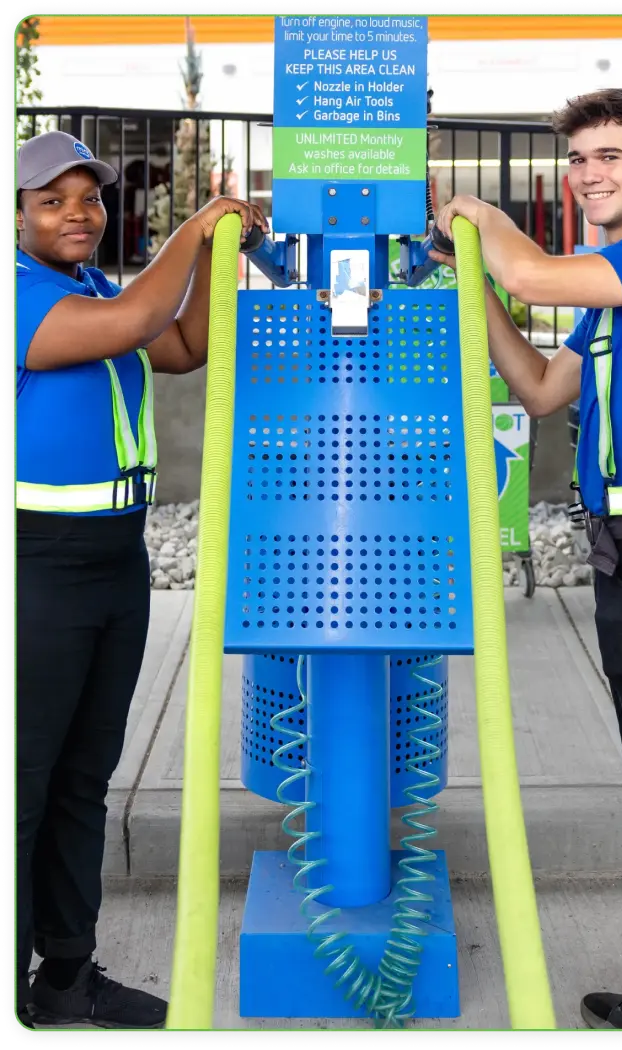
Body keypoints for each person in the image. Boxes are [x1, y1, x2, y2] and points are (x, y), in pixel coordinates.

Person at [429, 89, 622, 1030]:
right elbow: (541, 388)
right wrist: (476, 282)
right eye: (578, 158)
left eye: (610, 156)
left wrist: (480, 216)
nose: (589, 174)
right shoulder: (615, 283)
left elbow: (537, 275)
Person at [16, 130, 268, 1030]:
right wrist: (197, 228)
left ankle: (66, 976)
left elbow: (181, 343)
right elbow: (132, 326)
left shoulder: (88, 288)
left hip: (115, 564)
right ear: (18, 216)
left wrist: (219, 255)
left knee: (85, 780)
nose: (77, 214)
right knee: (25, 785)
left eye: (88, 199)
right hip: (36, 566)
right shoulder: (25, 296)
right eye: (53, 201)